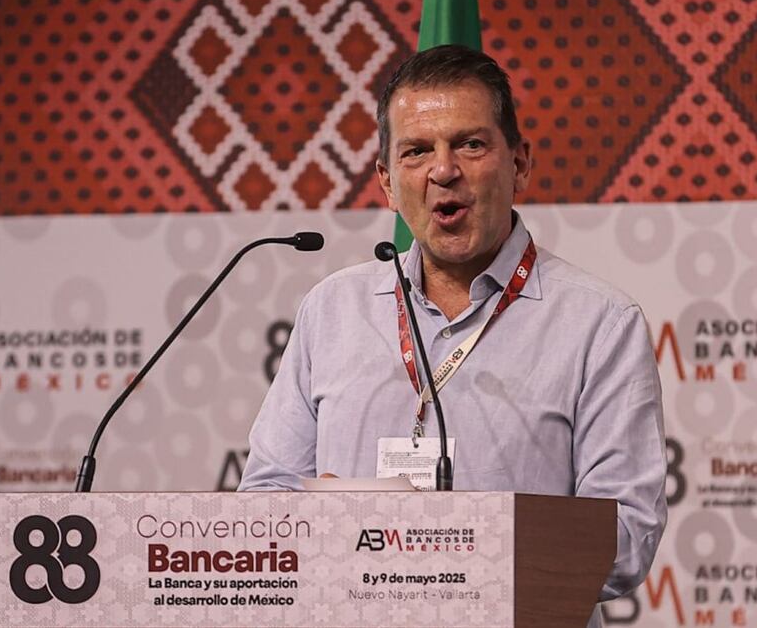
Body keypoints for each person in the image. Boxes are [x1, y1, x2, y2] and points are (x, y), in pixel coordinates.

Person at [238, 44, 667, 619]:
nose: (444, 171)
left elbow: (624, 537)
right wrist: (338, 532)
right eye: (417, 151)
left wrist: (444, 549)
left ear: (519, 164)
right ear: (388, 183)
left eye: (469, 144)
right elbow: (263, 504)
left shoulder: (599, 324)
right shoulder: (331, 311)